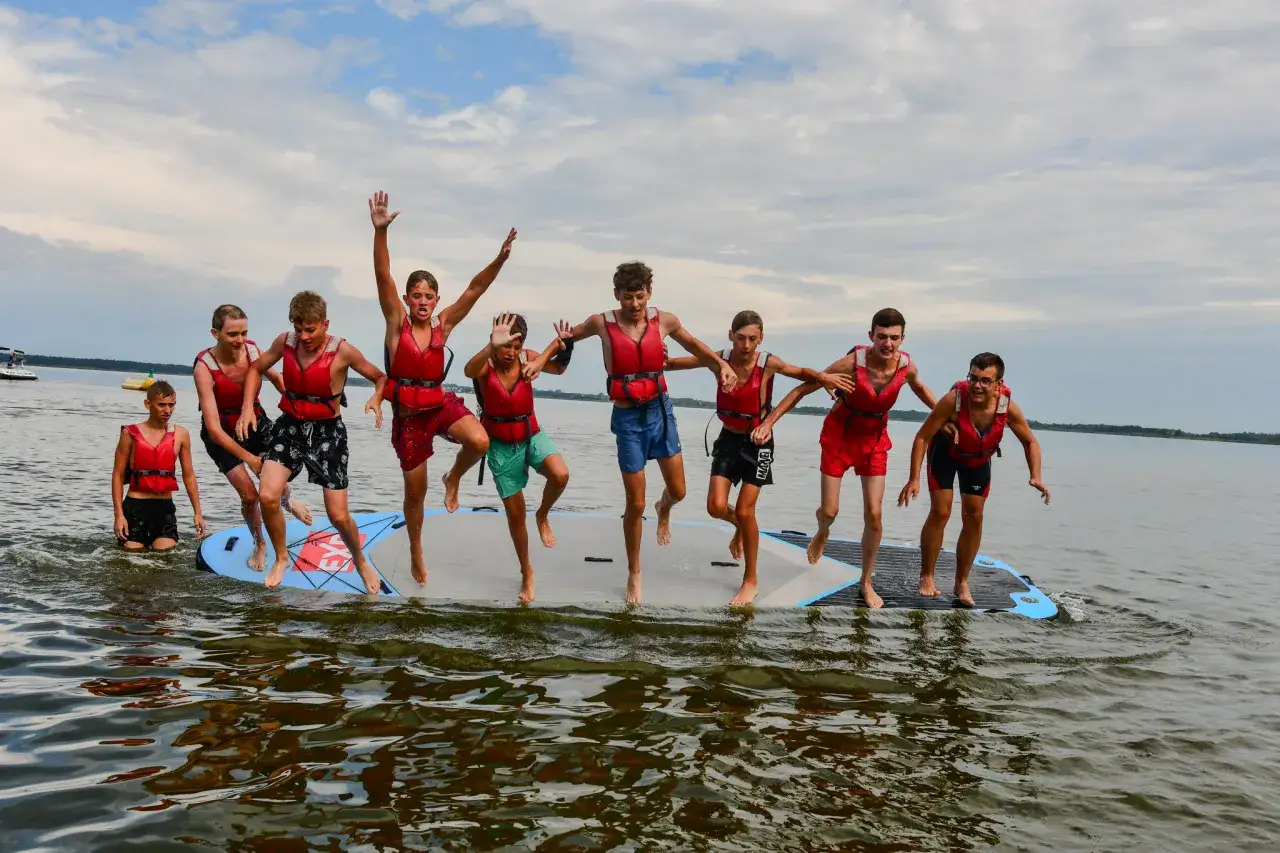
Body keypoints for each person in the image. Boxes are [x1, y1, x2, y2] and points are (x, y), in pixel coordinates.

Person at [563, 261, 738, 606]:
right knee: (635, 502)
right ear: (617, 295)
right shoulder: (602, 322)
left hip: (660, 412)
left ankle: (665, 508)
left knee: (679, 490)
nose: (634, 304)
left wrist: (722, 366)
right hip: (628, 419)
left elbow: (694, 345)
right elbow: (568, 338)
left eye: (640, 297)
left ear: (649, 294)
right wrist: (541, 361)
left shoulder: (665, 320)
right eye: (628, 297)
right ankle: (634, 571)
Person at [367, 190, 516, 586]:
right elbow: (383, 274)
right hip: (409, 418)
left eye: (428, 297)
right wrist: (380, 233)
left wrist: (499, 260)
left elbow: (474, 289)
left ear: (436, 301)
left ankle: (455, 477)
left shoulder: (443, 325)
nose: (422, 302)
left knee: (480, 441)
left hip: (438, 405)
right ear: (406, 298)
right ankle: (416, 546)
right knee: (416, 495)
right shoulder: (396, 323)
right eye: (415, 295)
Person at [750, 308, 944, 608]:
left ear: (902, 338)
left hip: (875, 441)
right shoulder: (851, 364)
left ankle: (866, 581)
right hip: (839, 437)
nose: (888, 343)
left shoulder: (907, 368)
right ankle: (822, 532)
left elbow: (925, 393)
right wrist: (768, 423)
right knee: (829, 511)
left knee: (875, 514)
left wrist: (948, 420)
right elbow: (805, 388)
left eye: (894, 338)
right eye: (882, 336)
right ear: (871, 337)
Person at [665, 310, 854, 605]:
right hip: (728, 437)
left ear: (761, 338)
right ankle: (742, 528)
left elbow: (801, 375)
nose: (746, 345)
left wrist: (823, 377)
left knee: (745, 510)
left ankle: (750, 580)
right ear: (730, 336)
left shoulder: (767, 363)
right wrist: (660, 359)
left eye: (753, 339)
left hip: (758, 442)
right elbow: (680, 363)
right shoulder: (720, 359)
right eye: (740, 338)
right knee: (715, 507)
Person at [235, 290, 387, 595]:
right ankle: (281, 557)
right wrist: (247, 407)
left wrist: (376, 397)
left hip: (327, 433)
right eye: (298, 328)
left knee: (338, 515)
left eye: (311, 329)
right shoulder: (284, 342)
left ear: (325, 324)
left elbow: (380, 377)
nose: (303, 336)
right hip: (290, 426)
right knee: (267, 496)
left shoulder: (343, 351)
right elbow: (255, 368)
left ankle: (359, 560)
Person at [897, 352, 1050, 607]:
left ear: (998, 384)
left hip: (978, 459)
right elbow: (922, 437)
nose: (977, 386)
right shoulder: (953, 400)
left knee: (974, 515)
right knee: (941, 511)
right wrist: (914, 478)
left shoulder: (1006, 407)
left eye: (985, 381)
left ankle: (962, 581)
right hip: (945, 453)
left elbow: (1030, 441)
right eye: (973, 378)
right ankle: (927, 576)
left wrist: (1036, 475)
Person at [463, 313, 573, 604]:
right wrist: (491, 347)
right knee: (515, 514)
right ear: (495, 341)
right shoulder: (485, 365)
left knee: (560, 475)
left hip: (530, 434)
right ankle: (527, 572)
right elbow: (467, 370)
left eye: (516, 345)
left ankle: (543, 514)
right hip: (500, 445)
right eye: (505, 346)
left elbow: (559, 368)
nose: (511, 352)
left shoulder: (528, 358)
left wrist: (567, 346)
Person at [193, 304, 312, 573]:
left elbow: (278, 378)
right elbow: (212, 428)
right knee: (250, 495)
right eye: (232, 334)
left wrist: (298, 408)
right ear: (215, 333)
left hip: (256, 422)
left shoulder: (253, 350)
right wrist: (250, 460)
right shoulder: (204, 367)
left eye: (244, 333)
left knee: (276, 480)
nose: (239, 341)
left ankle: (286, 502)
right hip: (222, 433)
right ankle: (260, 543)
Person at [112, 381, 205, 551]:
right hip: (135, 508)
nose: (167, 410)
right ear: (148, 404)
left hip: (164, 508)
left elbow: (189, 475)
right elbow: (117, 475)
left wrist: (197, 513)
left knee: (165, 557)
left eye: (171, 405)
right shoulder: (129, 434)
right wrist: (118, 515)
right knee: (132, 558)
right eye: (161, 405)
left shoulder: (181, 434)